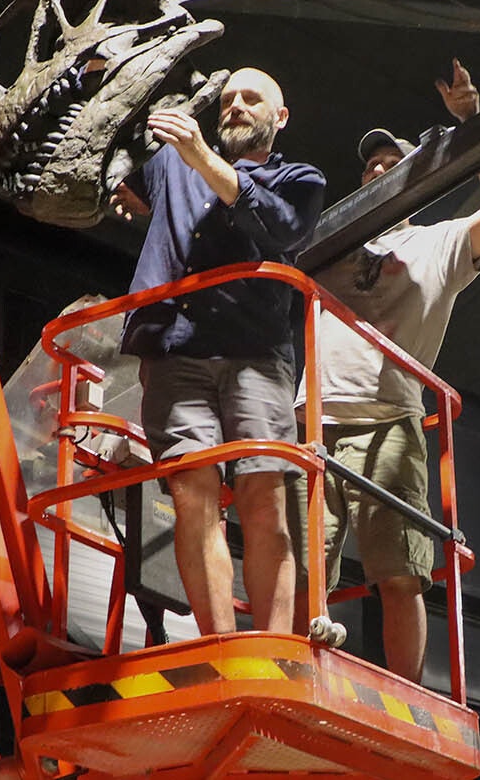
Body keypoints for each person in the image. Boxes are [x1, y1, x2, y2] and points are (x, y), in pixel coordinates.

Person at [293, 59, 480, 681]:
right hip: (312, 424)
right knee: (300, 569)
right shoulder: (332, 242)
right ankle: (294, 675)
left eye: (393, 164)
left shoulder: (437, 242)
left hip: (388, 421)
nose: (380, 172)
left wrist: (473, 127)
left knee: (398, 571)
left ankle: (407, 694)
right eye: (371, 166)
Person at [116, 67, 326, 636]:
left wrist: (202, 158)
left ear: (279, 118)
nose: (235, 105)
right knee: (192, 494)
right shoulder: (167, 163)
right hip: (174, 349)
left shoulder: (300, 177)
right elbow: (115, 168)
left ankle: (272, 651)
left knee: (264, 496)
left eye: (251, 98)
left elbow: (283, 230)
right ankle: (219, 647)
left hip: (255, 352)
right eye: (228, 98)